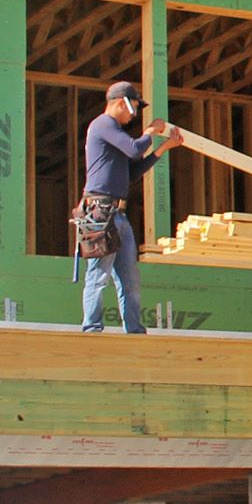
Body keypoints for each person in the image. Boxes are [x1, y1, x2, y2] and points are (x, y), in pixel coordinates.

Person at [79, 81, 181, 334]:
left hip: (117, 214)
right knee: (98, 275)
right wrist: (151, 132)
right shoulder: (103, 124)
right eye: (133, 107)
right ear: (119, 102)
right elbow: (134, 150)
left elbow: (132, 172)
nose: (133, 114)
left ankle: (134, 331)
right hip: (100, 210)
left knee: (130, 280)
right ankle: (92, 329)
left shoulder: (115, 134)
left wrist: (162, 149)